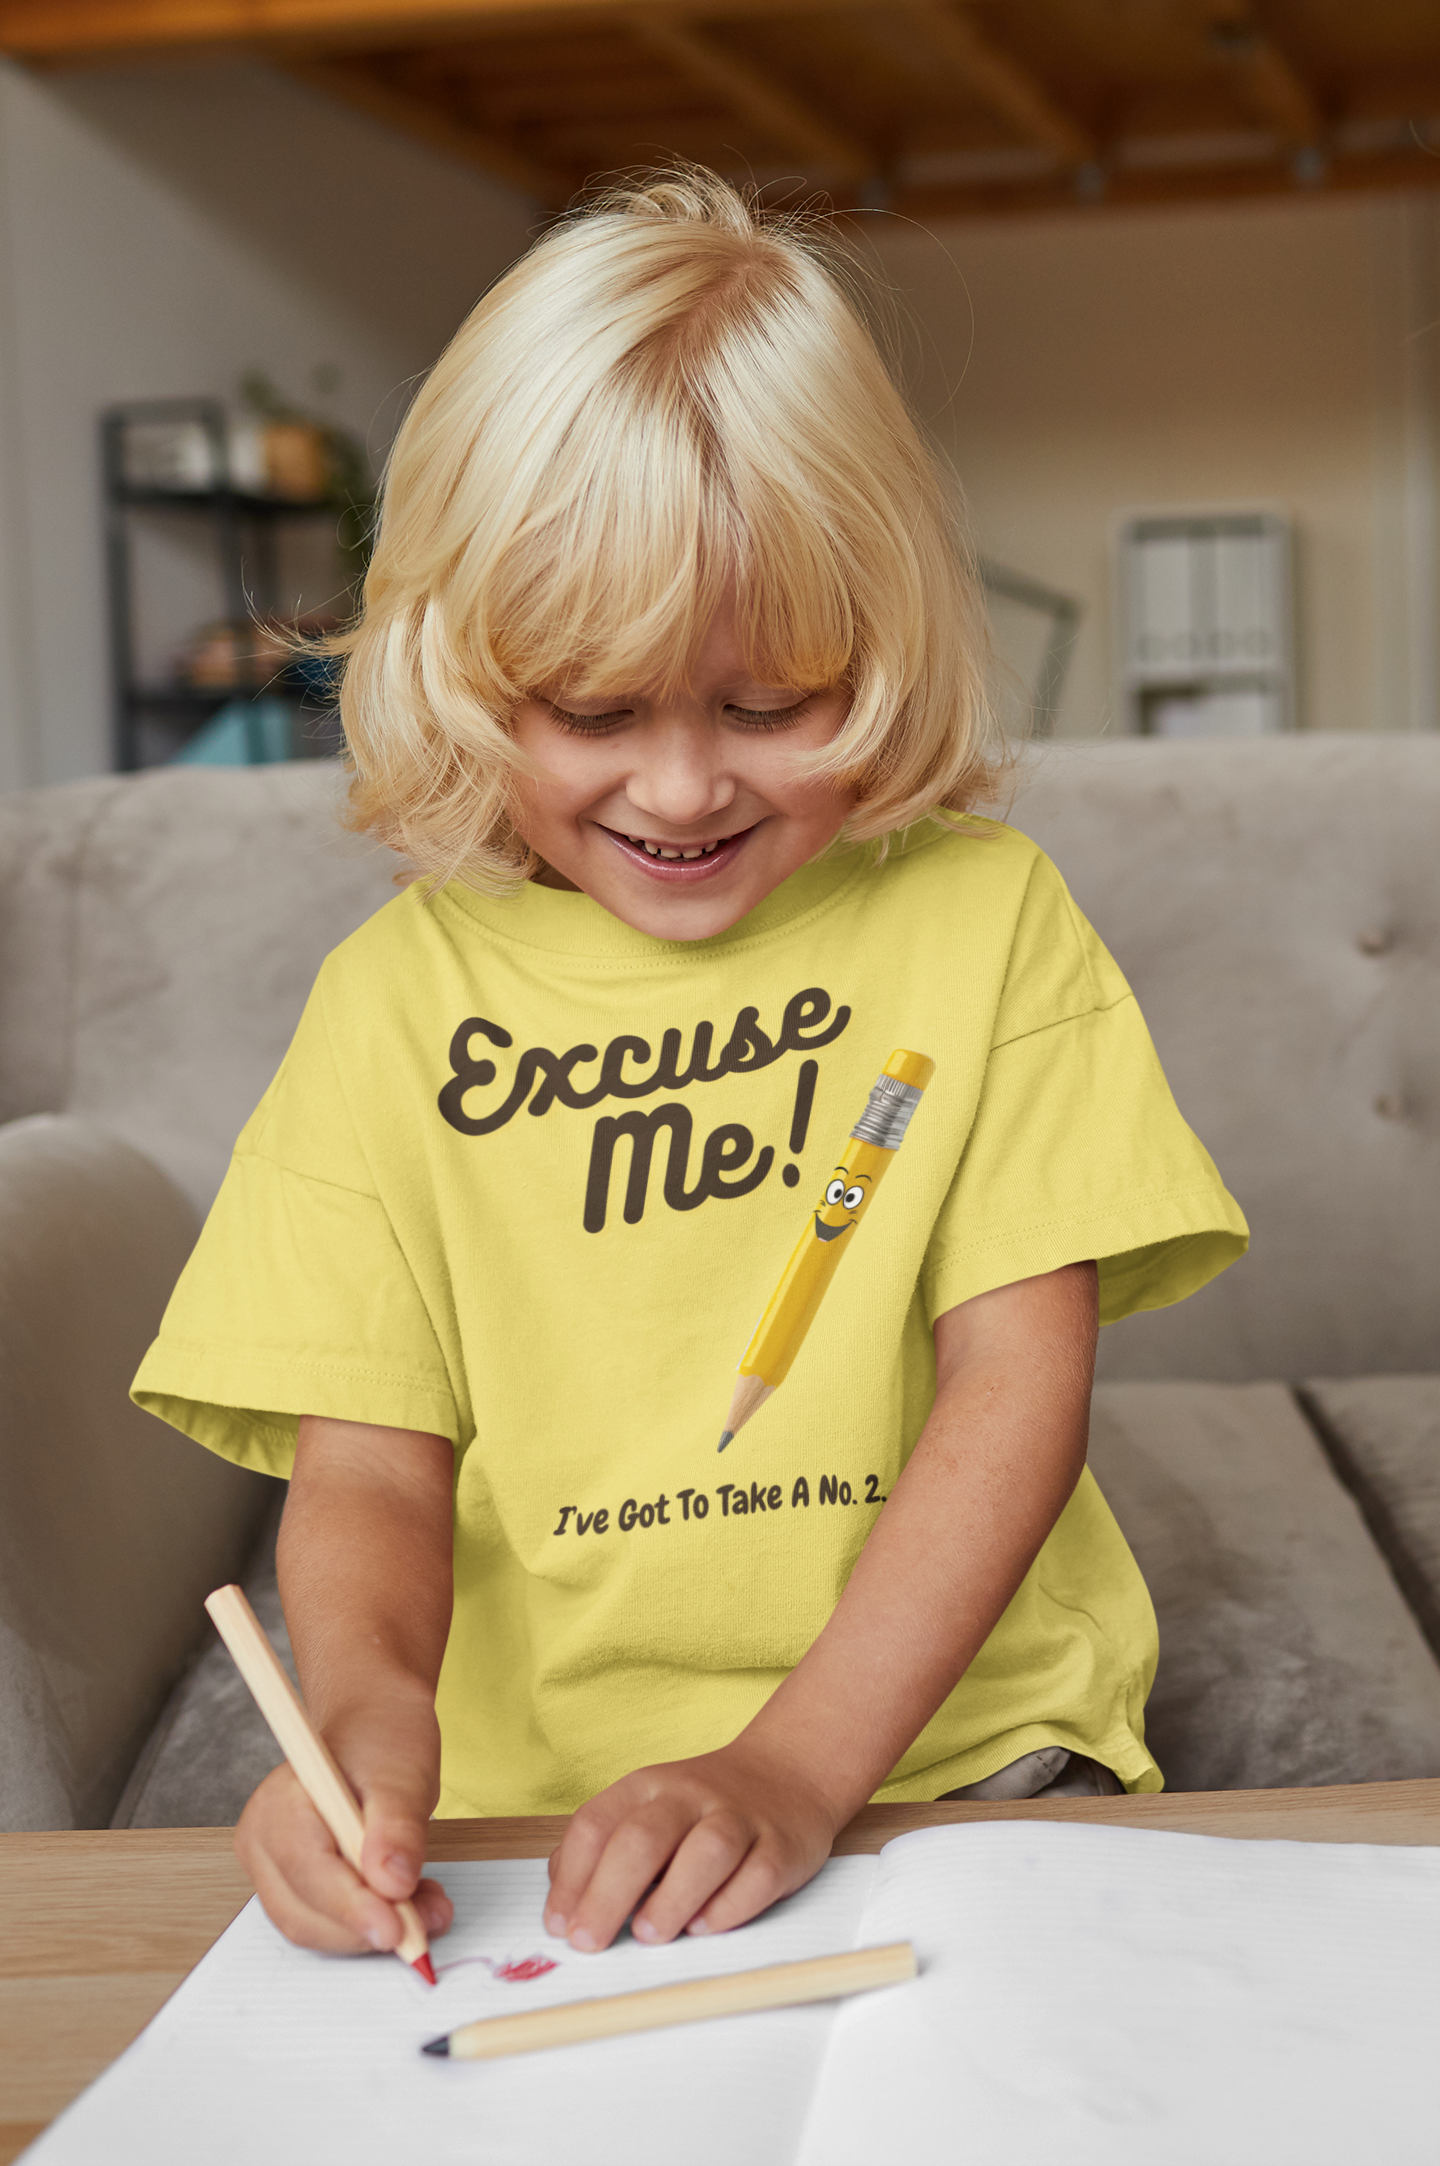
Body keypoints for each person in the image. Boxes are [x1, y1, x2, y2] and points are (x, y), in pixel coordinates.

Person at [132, 168, 1246, 1964]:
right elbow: (368, 1476)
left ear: (879, 650)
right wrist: (362, 1729)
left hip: (957, 1761)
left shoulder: (987, 921)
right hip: (529, 1821)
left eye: (765, 704)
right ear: (463, 669)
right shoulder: (387, 1006)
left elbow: (1012, 1397)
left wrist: (798, 1764)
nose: (677, 789)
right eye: (592, 711)